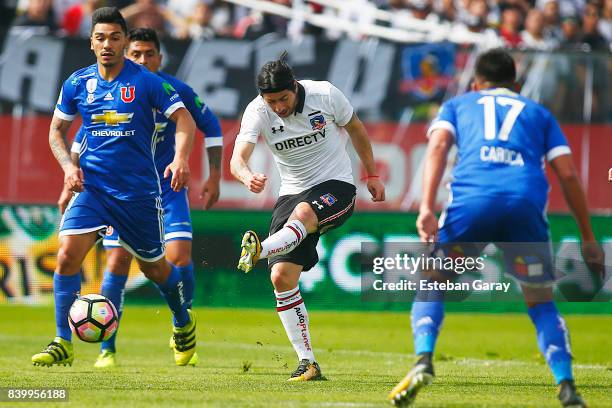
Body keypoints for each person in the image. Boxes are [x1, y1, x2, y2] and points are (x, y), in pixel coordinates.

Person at [387, 49, 605, 407]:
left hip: (472, 206)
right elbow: (567, 173)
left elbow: (439, 145)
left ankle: (424, 359)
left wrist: (426, 207)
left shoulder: (459, 104)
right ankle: (566, 385)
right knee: (540, 301)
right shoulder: (538, 113)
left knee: (432, 280)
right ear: (516, 84)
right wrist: (588, 237)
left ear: (476, 83)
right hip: (524, 207)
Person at [32, 7, 198, 368]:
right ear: (92, 43)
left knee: (156, 269)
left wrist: (181, 158)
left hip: (138, 195)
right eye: (100, 37)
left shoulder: (147, 82)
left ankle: (182, 320)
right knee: (66, 256)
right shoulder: (78, 83)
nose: (107, 44)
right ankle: (63, 339)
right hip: (93, 190)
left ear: (124, 41)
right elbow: (56, 131)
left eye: (114, 37)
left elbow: (184, 119)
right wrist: (67, 168)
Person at [58, 27, 223, 368]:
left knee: (177, 257)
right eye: (136, 53)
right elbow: (86, 137)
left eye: (150, 53)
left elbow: (209, 124)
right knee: (117, 261)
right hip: (122, 190)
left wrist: (214, 175)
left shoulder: (171, 90)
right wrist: (68, 179)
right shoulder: (108, 88)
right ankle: (107, 349)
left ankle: (182, 323)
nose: (143, 59)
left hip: (168, 187)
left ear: (161, 58)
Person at [230, 54, 386, 381]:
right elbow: (238, 158)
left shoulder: (325, 94)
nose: (278, 107)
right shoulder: (257, 110)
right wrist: (245, 176)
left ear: (295, 87)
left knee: (304, 213)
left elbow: (356, 128)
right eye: (271, 101)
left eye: (283, 99)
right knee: (281, 279)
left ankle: (262, 249)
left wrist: (371, 174)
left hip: (335, 186)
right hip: (292, 192)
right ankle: (308, 363)